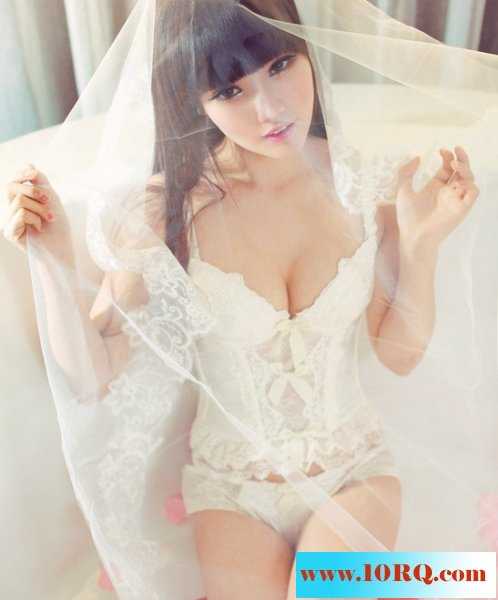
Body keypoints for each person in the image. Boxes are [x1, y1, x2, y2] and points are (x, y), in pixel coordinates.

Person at [2, 1, 495, 598]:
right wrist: (52, 256)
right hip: (231, 490)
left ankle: (426, 584)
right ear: (197, 103)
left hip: (354, 472)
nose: (270, 109)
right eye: (231, 91)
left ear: (305, 51)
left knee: (321, 594)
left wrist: (421, 244)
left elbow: (399, 355)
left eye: (280, 65)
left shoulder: (361, 185)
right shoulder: (166, 214)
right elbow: (92, 375)